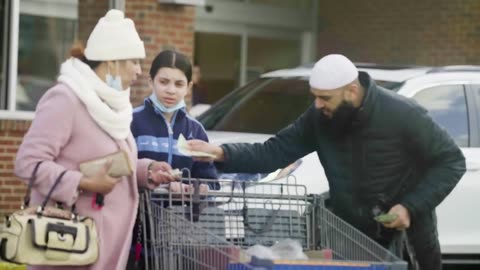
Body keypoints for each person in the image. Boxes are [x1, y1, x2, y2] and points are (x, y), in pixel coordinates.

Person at [187, 54, 466, 270]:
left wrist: (410, 207)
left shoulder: (403, 115)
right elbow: (274, 151)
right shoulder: (319, 119)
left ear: (352, 91)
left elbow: (451, 161)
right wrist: (221, 153)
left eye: (325, 97)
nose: (317, 104)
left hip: (409, 239)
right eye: (315, 97)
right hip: (354, 236)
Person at [14, 9, 177, 270]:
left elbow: (109, 163)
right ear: (112, 61)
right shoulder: (66, 99)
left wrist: (146, 171)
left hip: (102, 247)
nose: (138, 71)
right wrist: (83, 182)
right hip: (69, 247)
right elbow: (27, 163)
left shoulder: (114, 105)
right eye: (134, 61)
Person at [127, 50, 218, 269]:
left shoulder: (195, 130)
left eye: (179, 84)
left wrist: (189, 188)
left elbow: (211, 184)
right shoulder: (131, 122)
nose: (170, 90)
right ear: (151, 81)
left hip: (180, 235)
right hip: (135, 230)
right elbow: (122, 173)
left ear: (189, 86)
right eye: (164, 81)